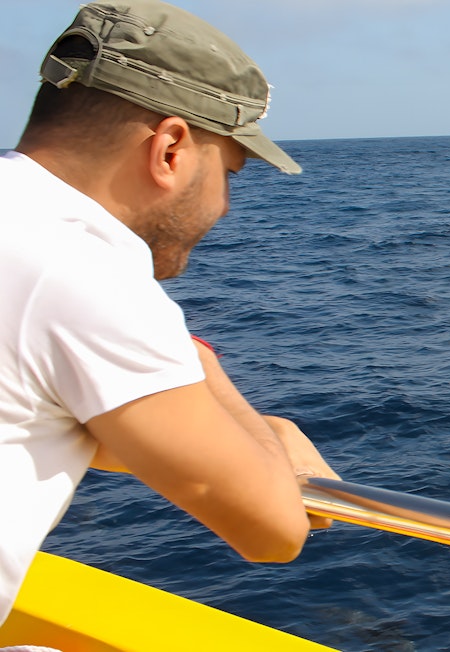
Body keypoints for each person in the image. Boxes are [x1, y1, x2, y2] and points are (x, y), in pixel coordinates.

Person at [0, 0, 340, 630]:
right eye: (229, 173)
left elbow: (65, 426)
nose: (225, 207)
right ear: (171, 149)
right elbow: (273, 530)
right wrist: (259, 427)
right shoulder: (79, 268)